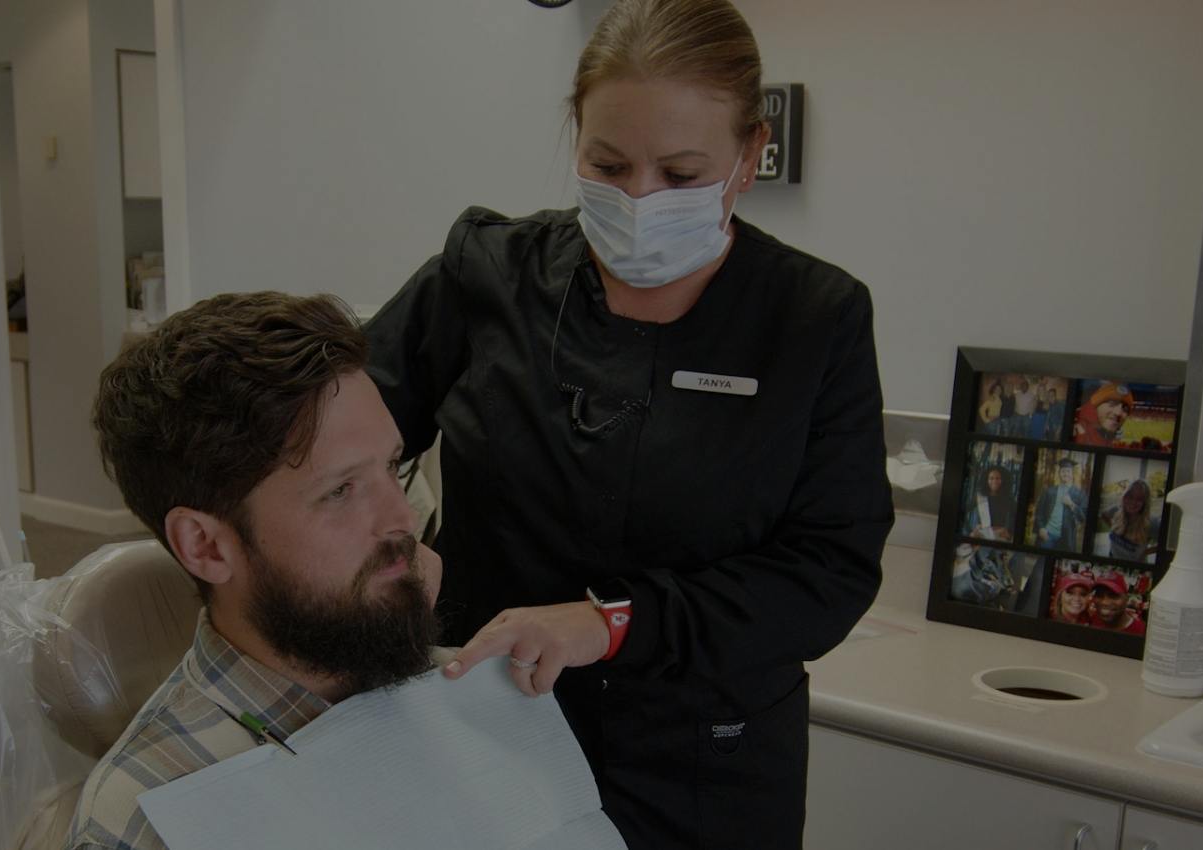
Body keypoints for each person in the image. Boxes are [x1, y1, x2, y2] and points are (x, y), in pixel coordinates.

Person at [363, 1, 892, 846]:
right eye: (608, 164)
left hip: (705, 769)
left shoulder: (812, 319)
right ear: (576, 135)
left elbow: (827, 573)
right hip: (491, 740)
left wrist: (611, 619)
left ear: (751, 154)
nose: (640, 199)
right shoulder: (486, 277)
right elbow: (337, 437)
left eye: (681, 175)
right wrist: (380, 551)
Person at [71, 292, 445, 850]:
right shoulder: (148, 819)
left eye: (393, 466)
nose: (402, 518)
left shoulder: (450, 684)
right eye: (341, 490)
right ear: (206, 546)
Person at [1031, 457, 1087, 551]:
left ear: (1072, 474)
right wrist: (1041, 528)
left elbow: (1083, 517)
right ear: (1059, 474)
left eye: (1068, 471)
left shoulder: (1080, 494)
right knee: (1042, 562)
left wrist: (1071, 504)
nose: (1065, 474)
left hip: (1066, 538)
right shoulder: (1049, 491)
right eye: (1063, 471)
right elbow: (1039, 512)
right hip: (1048, 535)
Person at [1102, 479, 1160, 563]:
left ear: (1145, 502)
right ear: (1125, 496)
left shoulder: (1151, 522)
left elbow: (1166, 545)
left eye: (1139, 499)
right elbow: (1103, 515)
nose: (1133, 502)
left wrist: (1144, 552)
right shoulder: (1116, 510)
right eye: (1130, 496)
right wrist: (1113, 527)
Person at [965, 465, 1015, 542]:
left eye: (997, 478)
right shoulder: (979, 497)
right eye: (991, 478)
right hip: (981, 535)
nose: (994, 481)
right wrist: (970, 531)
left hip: (1000, 535)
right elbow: (963, 511)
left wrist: (1010, 532)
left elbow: (1015, 516)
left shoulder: (1008, 499)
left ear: (1003, 480)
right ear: (986, 480)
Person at [1073, 383, 1133, 447]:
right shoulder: (1075, 430)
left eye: (1125, 409)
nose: (1118, 413)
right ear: (1095, 406)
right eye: (1112, 404)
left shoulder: (1108, 437)